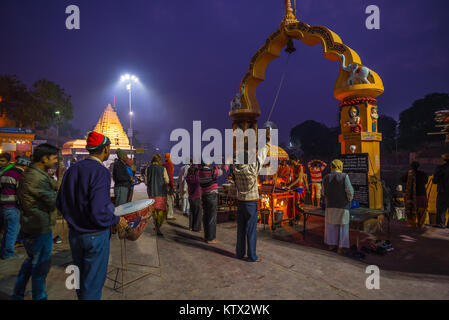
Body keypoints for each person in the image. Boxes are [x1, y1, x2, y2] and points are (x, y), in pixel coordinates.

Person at [56, 131, 124, 300]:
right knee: (92, 285)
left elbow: (60, 202)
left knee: (80, 281)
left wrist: (74, 219)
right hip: (95, 235)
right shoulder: (100, 172)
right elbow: (99, 209)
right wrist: (116, 219)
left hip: (75, 235)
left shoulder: (72, 170)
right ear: (105, 149)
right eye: (109, 148)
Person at [12, 143, 59, 300]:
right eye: (54, 158)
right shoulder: (37, 177)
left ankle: (17, 294)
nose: (56, 161)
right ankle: (39, 297)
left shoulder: (33, 172)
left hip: (29, 226)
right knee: (40, 269)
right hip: (39, 228)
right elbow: (52, 201)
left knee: (30, 262)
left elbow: (52, 184)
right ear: (44, 158)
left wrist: (60, 178)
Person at [232, 143, 269, 262]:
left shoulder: (235, 169)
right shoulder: (252, 169)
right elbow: (261, 158)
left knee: (241, 229)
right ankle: (252, 256)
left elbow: (236, 160)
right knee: (251, 230)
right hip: (251, 203)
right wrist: (267, 145)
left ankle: (239, 253)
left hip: (241, 202)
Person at [0, 156, 31, 259]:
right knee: (12, 231)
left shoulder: (5, 172)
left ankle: (3, 251)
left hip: (3, 206)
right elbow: (21, 193)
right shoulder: (20, 175)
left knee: (6, 230)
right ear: (25, 165)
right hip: (13, 206)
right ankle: (8, 253)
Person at [322, 159, 354, 254]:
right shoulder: (345, 176)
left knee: (331, 226)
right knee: (343, 226)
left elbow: (323, 192)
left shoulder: (326, 177)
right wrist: (349, 199)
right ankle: (341, 247)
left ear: (331, 166)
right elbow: (350, 191)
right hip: (343, 206)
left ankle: (331, 245)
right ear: (340, 166)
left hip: (330, 206)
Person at [199, 160, 228, 244]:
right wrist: (227, 164)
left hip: (204, 195)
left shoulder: (200, 171)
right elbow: (222, 171)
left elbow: (216, 169)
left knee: (206, 216)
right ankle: (211, 238)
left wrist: (218, 165)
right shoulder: (211, 172)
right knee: (212, 217)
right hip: (211, 196)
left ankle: (206, 236)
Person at [145, 154, 170, 236]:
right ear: (159, 160)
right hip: (161, 193)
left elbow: (146, 182)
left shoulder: (148, 169)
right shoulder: (163, 169)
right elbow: (167, 180)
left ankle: (156, 225)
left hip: (151, 193)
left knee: (154, 211)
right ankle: (158, 227)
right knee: (161, 211)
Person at [401, 161, 429, 229]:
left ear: (411, 167)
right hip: (421, 195)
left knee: (411, 211)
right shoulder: (423, 174)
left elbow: (402, 179)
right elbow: (426, 181)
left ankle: (412, 224)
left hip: (411, 197)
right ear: (418, 166)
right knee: (422, 211)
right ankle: (421, 225)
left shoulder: (408, 174)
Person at [433, 153, 449, 228]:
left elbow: (434, 181)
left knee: (441, 208)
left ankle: (441, 223)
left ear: (444, 159)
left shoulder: (440, 168)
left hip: (443, 191)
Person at [185, 164, 202, 232]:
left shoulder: (188, 178)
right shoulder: (196, 178)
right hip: (197, 196)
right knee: (198, 212)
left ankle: (191, 227)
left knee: (192, 212)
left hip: (190, 197)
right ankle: (197, 228)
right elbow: (198, 174)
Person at [0, 152, 13, 234]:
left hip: (8, 202)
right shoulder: (3, 169)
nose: (0, 162)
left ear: (8, 162)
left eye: (2, 161)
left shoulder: (10, 171)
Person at [163, 153, 175, 220]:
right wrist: (172, 185)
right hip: (168, 185)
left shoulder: (163, 164)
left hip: (164, 185)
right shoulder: (170, 164)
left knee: (166, 200)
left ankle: (166, 214)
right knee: (170, 201)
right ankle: (169, 215)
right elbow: (170, 176)